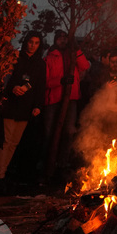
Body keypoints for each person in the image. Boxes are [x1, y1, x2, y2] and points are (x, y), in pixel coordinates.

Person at [0, 31, 45, 193]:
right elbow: (6, 79)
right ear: (26, 42)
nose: (33, 46)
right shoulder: (15, 58)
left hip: (26, 106)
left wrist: (38, 105)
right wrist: (12, 88)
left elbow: (40, 85)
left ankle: (2, 173)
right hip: (11, 104)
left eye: (36, 43)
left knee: (14, 142)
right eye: (31, 42)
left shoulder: (40, 63)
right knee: (6, 141)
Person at [43, 30, 90, 179]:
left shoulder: (73, 54)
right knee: (48, 133)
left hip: (71, 98)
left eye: (65, 38)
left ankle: (62, 164)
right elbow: (45, 81)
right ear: (55, 40)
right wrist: (60, 82)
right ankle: (46, 165)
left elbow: (85, 66)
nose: (63, 40)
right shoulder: (49, 58)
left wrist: (76, 49)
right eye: (60, 38)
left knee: (69, 131)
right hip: (54, 99)